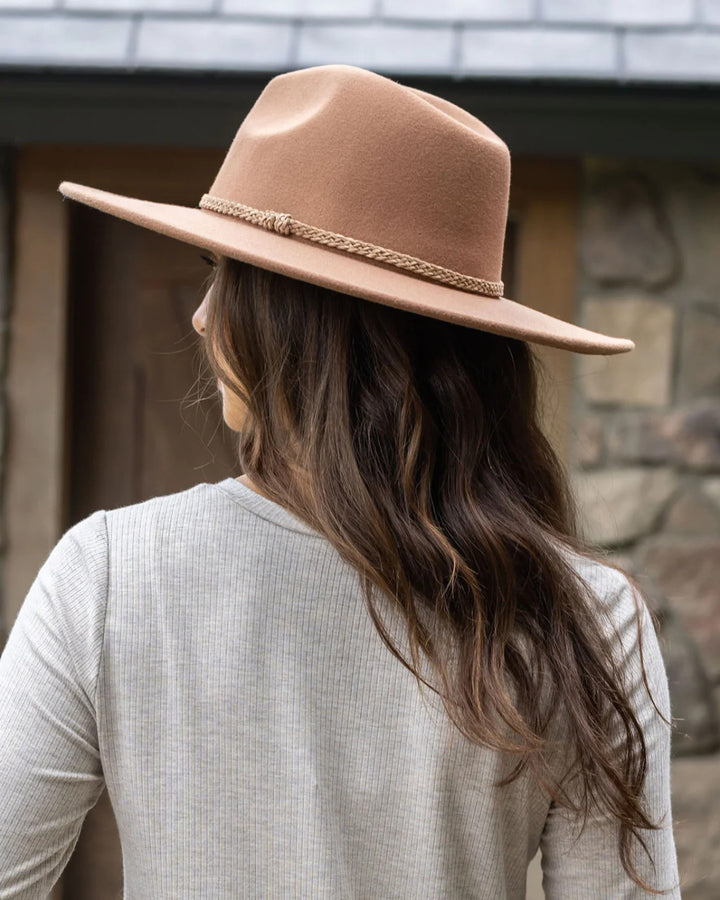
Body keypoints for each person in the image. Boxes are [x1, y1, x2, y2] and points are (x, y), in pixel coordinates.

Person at [0, 64, 681, 898]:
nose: (203, 315)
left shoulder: (109, 572)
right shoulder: (585, 615)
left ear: (302, 325)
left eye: (229, 275)